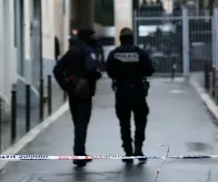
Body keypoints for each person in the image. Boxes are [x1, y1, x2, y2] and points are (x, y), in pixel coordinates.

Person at [53, 29, 102, 168]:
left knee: (77, 123)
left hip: (73, 92)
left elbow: (57, 70)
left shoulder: (71, 51)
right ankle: (79, 155)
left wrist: (66, 86)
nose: (95, 38)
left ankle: (80, 152)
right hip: (84, 91)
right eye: (93, 36)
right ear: (87, 38)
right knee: (82, 123)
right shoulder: (87, 51)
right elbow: (91, 69)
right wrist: (96, 75)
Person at [106, 28, 155, 165]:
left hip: (122, 91)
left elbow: (109, 72)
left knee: (124, 122)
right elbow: (149, 70)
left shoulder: (114, 54)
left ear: (121, 39)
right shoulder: (140, 53)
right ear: (132, 38)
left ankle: (128, 151)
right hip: (138, 91)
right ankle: (138, 148)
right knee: (140, 120)